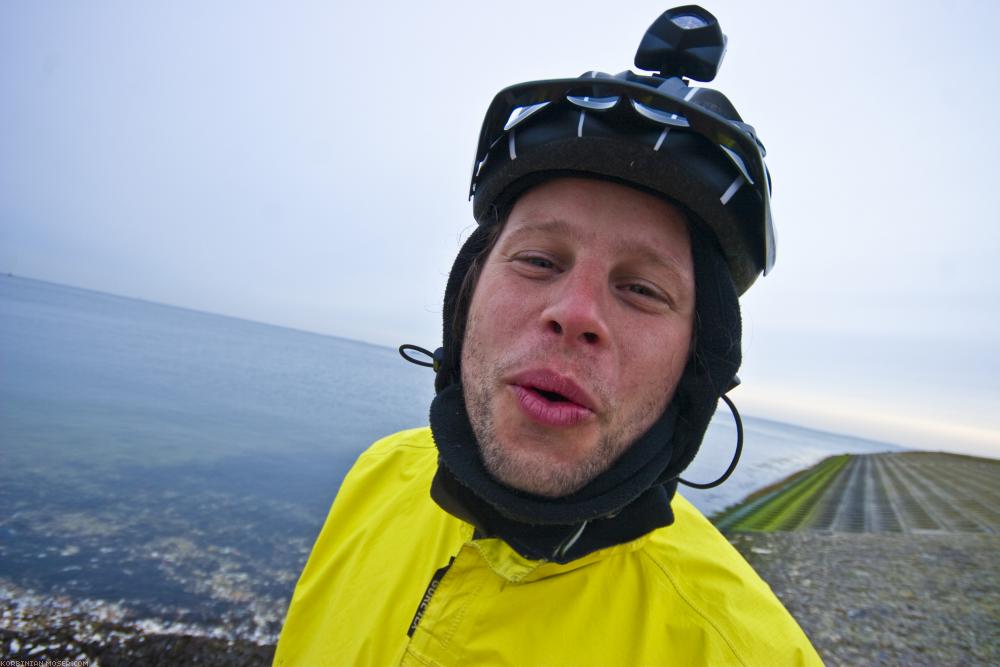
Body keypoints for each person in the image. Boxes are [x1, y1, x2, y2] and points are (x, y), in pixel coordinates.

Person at [274, 6, 822, 666]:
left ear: (698, 361)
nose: (575, 313)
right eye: (539, 260)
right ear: (469, 289)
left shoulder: (740, 652)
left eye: (642, 289)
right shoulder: (378, 474)